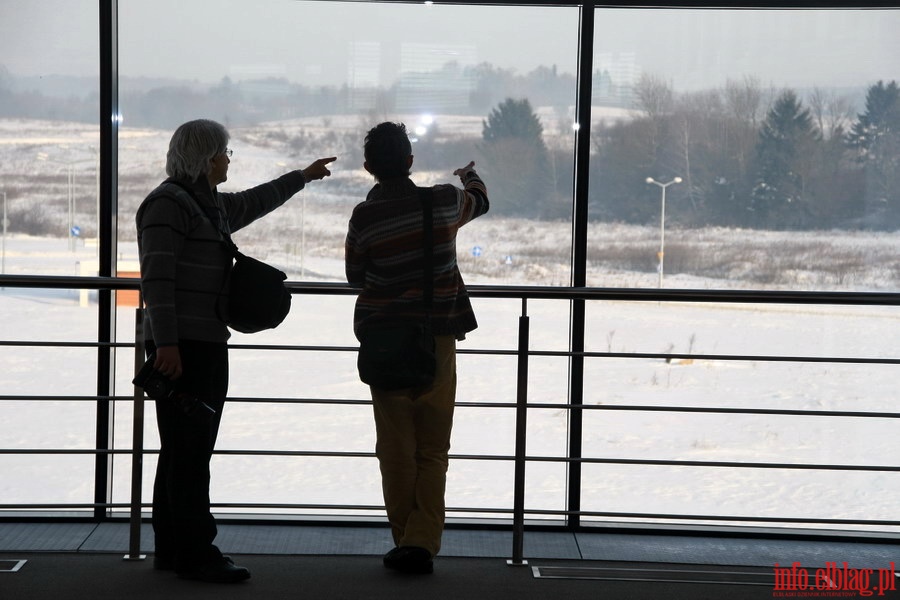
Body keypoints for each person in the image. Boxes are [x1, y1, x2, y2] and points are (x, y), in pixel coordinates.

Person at [136, 118, 335, 583]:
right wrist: (165, 343)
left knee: (182, 450)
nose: (229, 160)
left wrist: (302, 177)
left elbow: (256, 201)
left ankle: (173, 547)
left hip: (199, 341)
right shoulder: (167, 205)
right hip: (183, 346)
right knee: (191, 451)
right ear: (206, 159)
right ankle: (197, 554)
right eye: (225, 153)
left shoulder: (208, 205)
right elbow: (157, 280)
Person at [345, 121, 489, 574]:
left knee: (395, 448)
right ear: (410, 161)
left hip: (385, 344)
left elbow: (355, 275)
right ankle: (422, 542)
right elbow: (480, 202)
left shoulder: (364, 217)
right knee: (432, 448)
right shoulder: (444, 202)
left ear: (369, 167)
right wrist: (467, 175)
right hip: (436, 341)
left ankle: (406, 539)